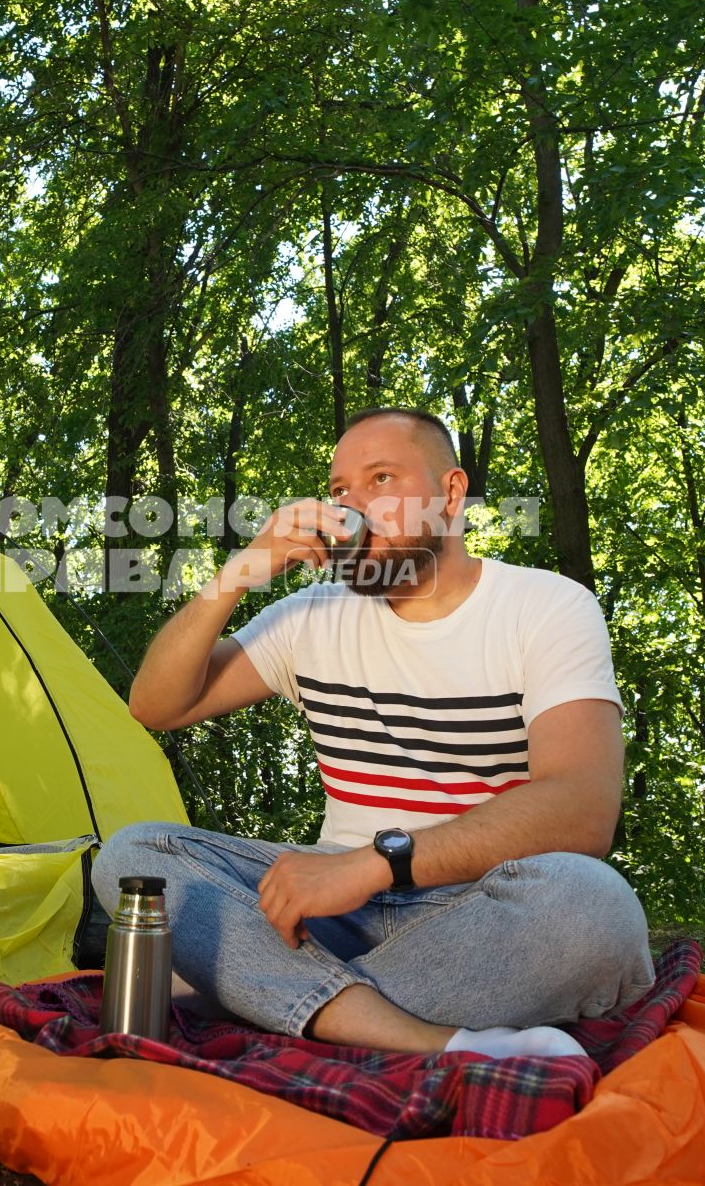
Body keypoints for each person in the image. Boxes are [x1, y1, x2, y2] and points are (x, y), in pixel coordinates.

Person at [97, 406, 654, 1059]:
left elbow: (583, 810)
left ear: (450, 493)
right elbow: (155, 705)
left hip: (476, 906)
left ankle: (268, 996)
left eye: (381, 479)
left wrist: (378, 861)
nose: (350, 508)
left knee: (594, 907)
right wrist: (240, 571)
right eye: (338, 491)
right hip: (331, 915)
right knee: (137, 857)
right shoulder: (310, 616)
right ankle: (415, 1035)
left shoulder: (545, 607)